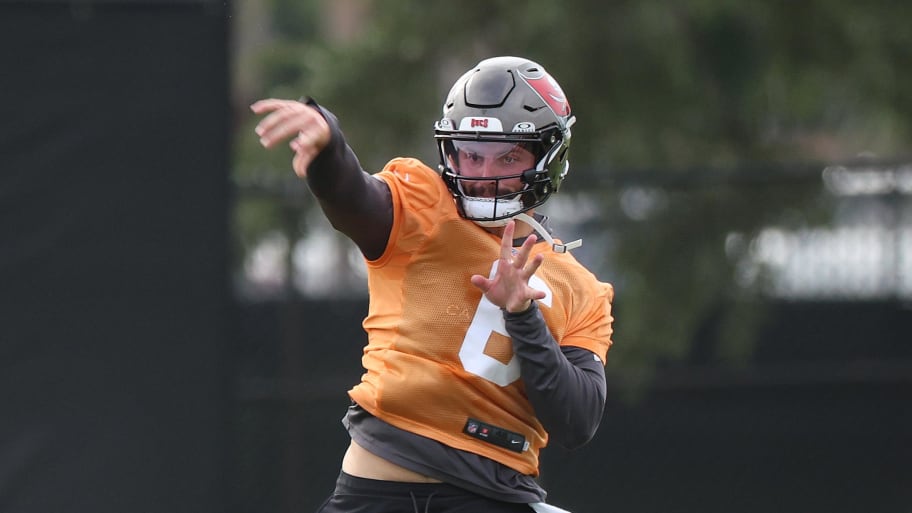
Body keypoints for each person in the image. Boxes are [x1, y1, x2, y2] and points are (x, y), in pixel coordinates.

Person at [251, 56, 614, 513]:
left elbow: (577, 421)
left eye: (507, 156)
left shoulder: (580, 288)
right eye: (471, 153)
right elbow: (352, 196)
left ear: (548, 157)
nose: (482, 176)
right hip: (379, 490)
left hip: (495, 495)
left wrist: (523, 316)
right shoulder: (423, 206)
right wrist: (329, 144)